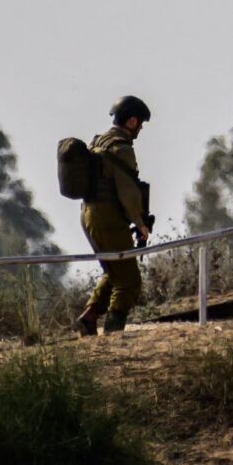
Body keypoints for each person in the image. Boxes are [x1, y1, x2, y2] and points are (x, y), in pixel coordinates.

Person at [75, 96, 154, 335]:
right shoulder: (122, 148)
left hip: (88, 215)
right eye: (140, 123)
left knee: (115, 271)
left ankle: (89, 317)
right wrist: (140, 224)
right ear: (131, 121)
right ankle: (113, 330)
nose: (140, 128)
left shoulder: (98, 142)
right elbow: (128, 191)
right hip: (107, 218)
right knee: (129, 281)